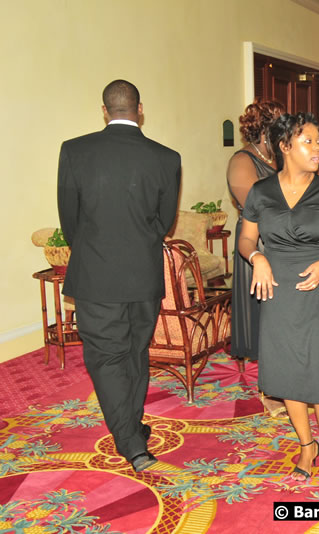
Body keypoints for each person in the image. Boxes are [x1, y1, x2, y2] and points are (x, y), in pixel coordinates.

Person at [57, 80, 180, 473]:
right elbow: (164, 222)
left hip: (95, 274)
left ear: (105, 110)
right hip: (143, 272)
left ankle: (129, 437)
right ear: (139, 109)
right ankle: (132, 434)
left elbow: (69, 219)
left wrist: (93, 248)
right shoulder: (166, 157)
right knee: (133, 352)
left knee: (108, 358)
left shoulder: (74, 151)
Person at [238, 112, 319, 488]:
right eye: (309, 141)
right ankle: (305, 446)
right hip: (277, 288)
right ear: (285, 146)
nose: (318, 148)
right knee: (289, 370)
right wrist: (257, 258)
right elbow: (245, 239)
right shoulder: (261, 193)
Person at [226, 98, 286, 417]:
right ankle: (271, 390)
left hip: (287, 245)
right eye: (279, 123)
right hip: (258, 248)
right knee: (265, 319)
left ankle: (289, 380)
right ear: (264, 129)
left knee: (285, 319)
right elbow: (259, 208)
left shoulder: (281, 156)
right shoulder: (242, 161)